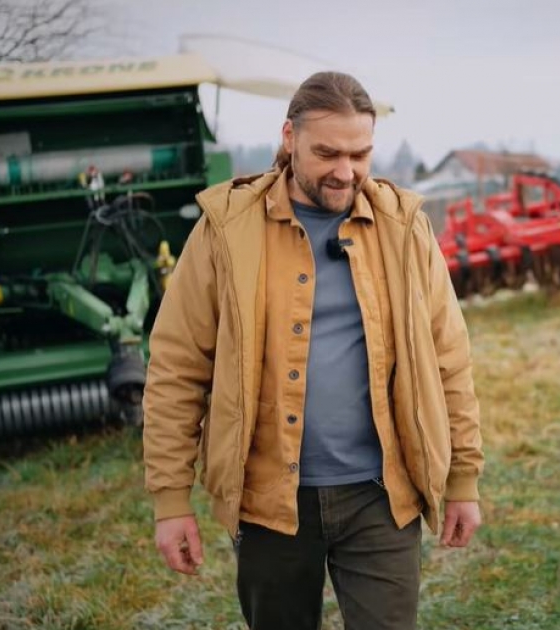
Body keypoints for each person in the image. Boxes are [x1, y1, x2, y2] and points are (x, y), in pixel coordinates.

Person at [143, 71, 484, 630]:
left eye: (360, 153)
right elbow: (178, 369)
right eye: (327, 152)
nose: (345, 171)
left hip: (383, 496)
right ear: (289, 138)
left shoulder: (404, 228)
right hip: (269, 502)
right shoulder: (226, 232)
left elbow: (449, 359)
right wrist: (170, 499)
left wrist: (463, 480)